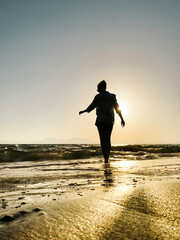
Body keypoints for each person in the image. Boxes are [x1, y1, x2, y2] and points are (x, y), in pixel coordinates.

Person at [79, 80, 125, 163]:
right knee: (108, 139)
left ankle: (105, 159)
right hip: (110, 121)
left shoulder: (98, 97)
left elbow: (91, 107)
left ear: (100, 88)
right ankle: (107, 157)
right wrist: (122, 119)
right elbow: (117, 108)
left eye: (98, 88)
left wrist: (84, 111)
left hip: (100, 121)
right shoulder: (112, 96)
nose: (97, 89)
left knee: (102, 140)